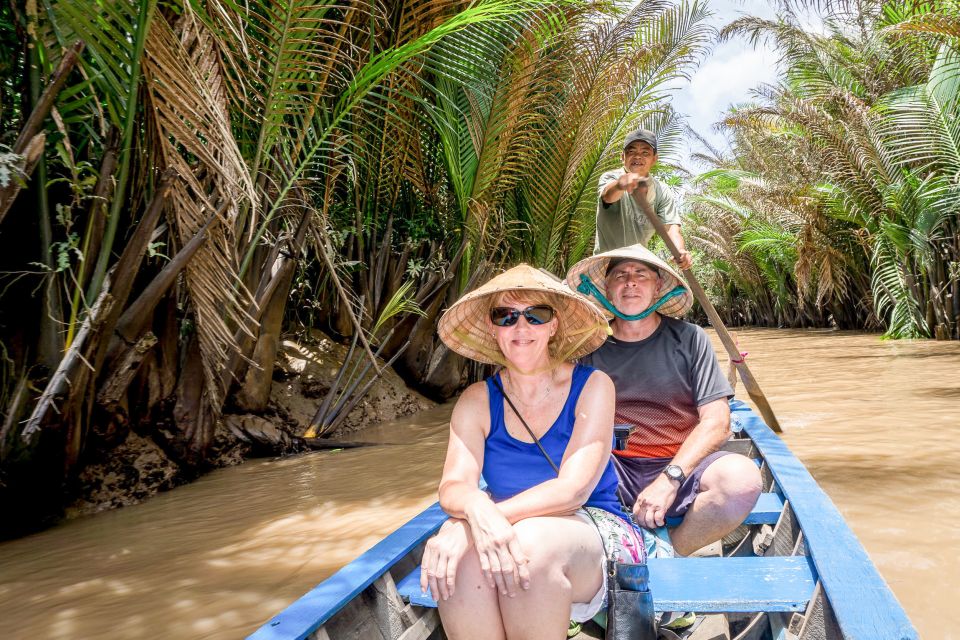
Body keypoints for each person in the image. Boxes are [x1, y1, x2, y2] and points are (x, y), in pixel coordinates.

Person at [422, 265, 646, 640]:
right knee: (460, 561)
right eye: (505, 316)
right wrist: (472, 513)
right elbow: (454, 486)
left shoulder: (593, 386)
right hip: (508, 530)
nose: (520, 327)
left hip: (593, 527)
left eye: (535, 315)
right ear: (493, 328)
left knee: (528, 546)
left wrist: (475, 522)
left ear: (553, 325)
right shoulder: (477, 400)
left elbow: (571, 491)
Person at [567, 244, 762, 557]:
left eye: (640, 275)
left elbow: (717, 422)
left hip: (680, 465)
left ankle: (669, 550)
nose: (630, 282)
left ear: (657, 288)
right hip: (612, 467)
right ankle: (612, 543)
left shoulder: (689, 338)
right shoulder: (589, 347)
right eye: (620, 275)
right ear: (607, 289)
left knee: (742, 480)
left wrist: (670, 479)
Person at [596, 128, 693, 269]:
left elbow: (671, 228)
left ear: (654, 158)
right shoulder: (611, 177)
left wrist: (680, 251)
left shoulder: (662, 190)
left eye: (645, 152)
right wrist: (620, 185)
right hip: (605, 265)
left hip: (637, 266)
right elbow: (607, 196)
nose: (637, 156)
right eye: (631, 151)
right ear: (622, 157)